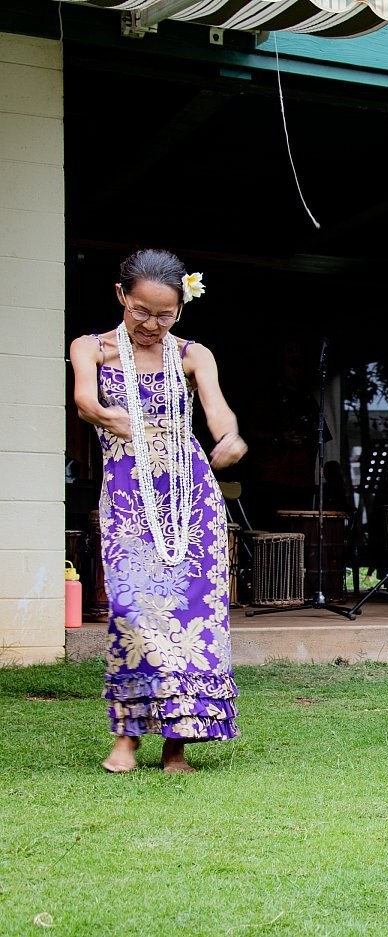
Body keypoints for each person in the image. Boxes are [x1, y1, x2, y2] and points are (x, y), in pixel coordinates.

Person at [68, 249, 248, 772]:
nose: (150, 324)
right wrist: (109, 418)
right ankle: (127, 738)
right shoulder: (92, 348)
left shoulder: (195, 355)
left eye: (164, 315)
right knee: (132, 610)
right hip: (127, 496)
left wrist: (231, 439)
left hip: (191, 498)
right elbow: (84, 401)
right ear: (121, 296)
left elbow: (217, 412)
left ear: (180, 309)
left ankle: (177, 747)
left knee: (195, 616)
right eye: (140, 311)